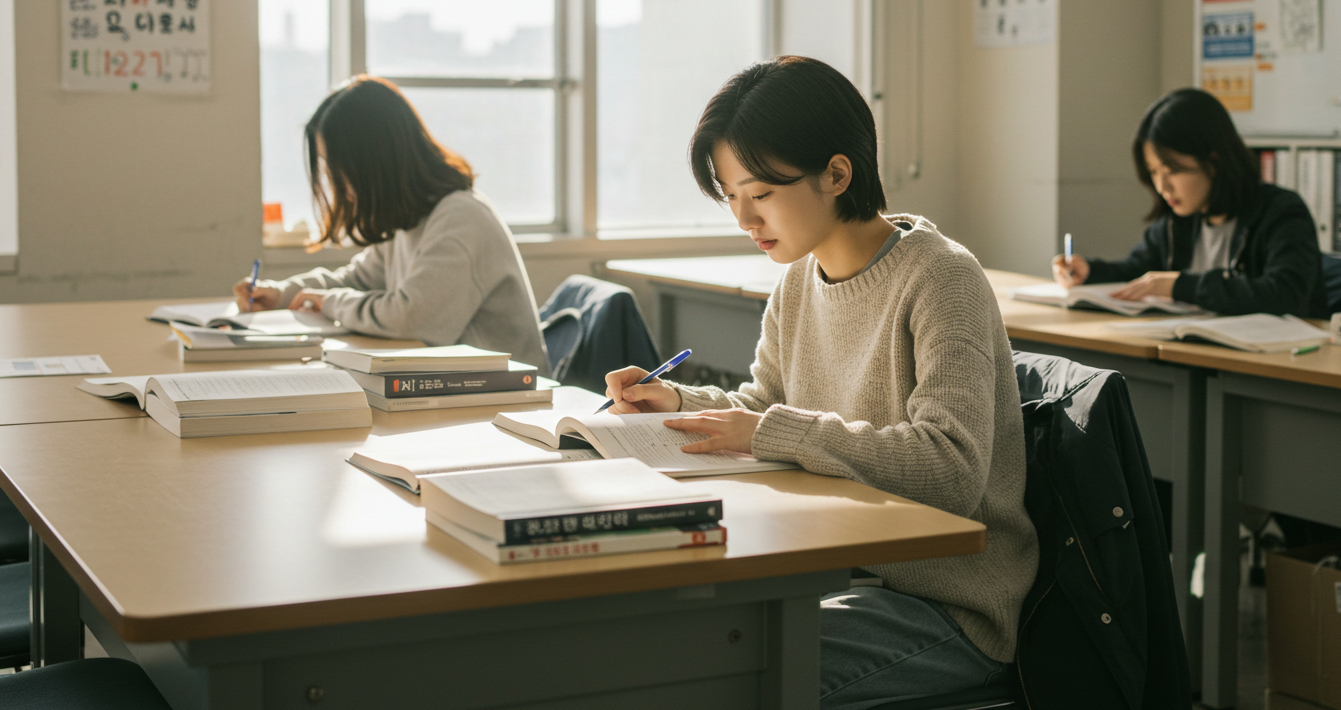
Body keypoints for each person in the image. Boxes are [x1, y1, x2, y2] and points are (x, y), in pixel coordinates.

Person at [603, 56, 1037, 709]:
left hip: (947, 607)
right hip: (836, 569)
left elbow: (952, 468)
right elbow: (764, 408)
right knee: (668, 643)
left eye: (761, 194)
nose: (744, 220)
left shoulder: (942, 278)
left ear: (836, 174)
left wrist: (769, 430)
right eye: (731, 197)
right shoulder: (797, 282)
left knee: (709, 676)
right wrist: (677, 401)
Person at [235, 76, 547, 369]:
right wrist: (282, 294)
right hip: (458, 386)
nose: (337, 185)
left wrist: (329, 303)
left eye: (339, 170)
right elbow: (358, 279)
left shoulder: (461, 219)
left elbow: (410, 318)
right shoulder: (409, 218)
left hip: (506, 395)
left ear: (374, 164)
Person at [1052, 87, 1328, 318]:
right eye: (1154, 172)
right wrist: (1090, 271)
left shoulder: (1280, 212)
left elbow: (1285, 295)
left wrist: (1179, 286)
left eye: (1172, 171)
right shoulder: (1177, 222)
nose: (1162, 187)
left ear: (1214, 161)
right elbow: (1138, 273)